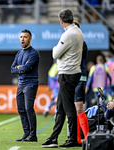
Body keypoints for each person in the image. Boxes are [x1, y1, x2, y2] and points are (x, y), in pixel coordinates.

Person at [41, 9, 83, 148]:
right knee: (60, 108)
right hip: (72, 73)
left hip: (67, 74)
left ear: (61, 21)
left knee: (68, 108)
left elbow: (55, 54)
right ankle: (54, 138)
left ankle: (73, 140)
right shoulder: (77, 31)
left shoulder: (68, 34)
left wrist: (55, 47)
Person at [11, 29, 40, 142]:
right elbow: (12, 69)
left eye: (25, 37)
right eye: (21, 37)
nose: (22, 39)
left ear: (30, 39)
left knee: (29, 108)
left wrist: (20, 67)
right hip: (21, 83)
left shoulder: (34, 53)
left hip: (30, 83)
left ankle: (33, 135)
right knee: (21, 109)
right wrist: (21, 68)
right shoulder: (19, 53)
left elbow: (26, 68)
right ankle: (26, 134)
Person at [73, 21, 89, 144]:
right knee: (74, 109)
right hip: (72, 77)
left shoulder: (81, 43)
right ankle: (77, 139)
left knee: (79, 108)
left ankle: (87, 137)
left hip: (79, 77)